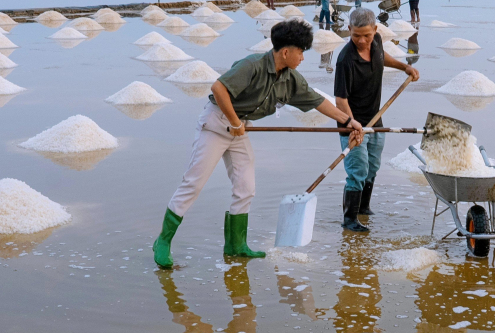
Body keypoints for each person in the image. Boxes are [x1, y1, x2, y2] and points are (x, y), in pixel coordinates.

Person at [151, 19, 363, 268]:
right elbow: (219, 88)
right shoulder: (252, 65)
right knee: (193, 183)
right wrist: (234, 121)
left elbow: (317, 101)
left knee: (246, 187)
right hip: (217, 123)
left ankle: (236, 245)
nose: (303, 58)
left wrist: (349, 121)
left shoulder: (291, 79)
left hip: (239, 129)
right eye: (301, 52)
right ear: (286, 52)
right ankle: (163, 241)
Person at [334, 8, 420, 232]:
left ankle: (364, 208)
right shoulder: (345, 60)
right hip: (352, 125)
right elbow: (340, 101)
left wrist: (405, 66)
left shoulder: (377, 41)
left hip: (376, 121)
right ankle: (350, 220)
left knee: (372, 166)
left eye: (367, 35)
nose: (362, 41)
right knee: (357, 170)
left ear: (375, 30)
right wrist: (352, 125)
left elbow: (382, 57)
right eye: (356, 36)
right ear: (349, 30)